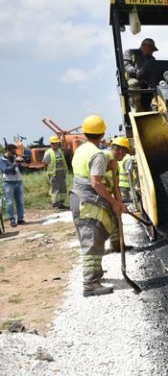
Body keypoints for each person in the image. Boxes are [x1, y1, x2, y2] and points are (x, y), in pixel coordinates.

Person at [70, 114, 128, 297]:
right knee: (92, 243)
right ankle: (90, 284)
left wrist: (118, 203)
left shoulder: (81, 149)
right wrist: (113, 202)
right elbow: (95, 183)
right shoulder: (97, 155)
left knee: (92, 240)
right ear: (102, 133)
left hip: (78, 197)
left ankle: (96, 274)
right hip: (87, 201)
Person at [123, 37, 159, 111]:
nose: (152, 52)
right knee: (134, 83)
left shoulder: (151, 59)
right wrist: (137, 72)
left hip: (145, 81)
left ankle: (155, 107)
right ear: (145, 46)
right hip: (131, 79)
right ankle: (137, 109)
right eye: (151, 49)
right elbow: (126, 65)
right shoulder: (130, 53)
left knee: (158, 85)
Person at [0, 144, 26, 227]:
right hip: (8, 183)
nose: (14, 152)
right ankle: (12, 220)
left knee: (20, 202)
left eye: (15, 150)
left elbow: (22, 170)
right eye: (12, 151)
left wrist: (22, 164)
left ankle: (20, 219)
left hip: (18, 181)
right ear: (7, 150)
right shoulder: (2, 159)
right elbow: (5, 170)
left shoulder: (16, 157)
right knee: (9, 202)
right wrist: (15, 163)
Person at [42, 136, 68, 210]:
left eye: (58, 143)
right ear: (52, 144)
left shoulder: (59, 151)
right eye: (56, 143)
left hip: (61, 174)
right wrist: (47, 173)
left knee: (63, 189)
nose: (58, 145)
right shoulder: (48, 152)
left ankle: (61, 203)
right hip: (54, 174)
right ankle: (54, 204)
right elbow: (45, 163)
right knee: (55, 190)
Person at [112, 137, 134, 205]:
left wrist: (120, 204)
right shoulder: (128, 158)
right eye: (125, 153)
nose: (125, 155)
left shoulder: (116, 163)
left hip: (121, 185)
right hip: (126, 185)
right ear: (121, 151)